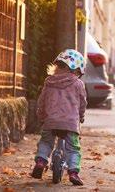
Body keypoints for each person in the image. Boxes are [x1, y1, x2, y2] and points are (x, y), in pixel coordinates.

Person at [31, 49, 87, 186]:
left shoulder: (49, 82)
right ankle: (73, 172)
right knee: (73, 148)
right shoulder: (78, 84)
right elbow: (82, 103)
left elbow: (42, 101)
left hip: (50, 121)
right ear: (76, 70)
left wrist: (41, 116)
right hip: (70, 123)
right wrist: (81, 116)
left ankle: (41, 161)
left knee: (45, 142)